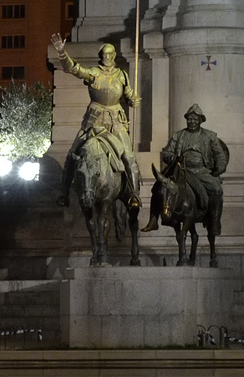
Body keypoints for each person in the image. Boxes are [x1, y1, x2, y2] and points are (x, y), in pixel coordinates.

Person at [51, 34, 141, 210]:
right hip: (94, 121)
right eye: (104, 55)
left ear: (114, 55)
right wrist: (62, 53)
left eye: (110, 54)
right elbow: (74, 69)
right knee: (72, 153)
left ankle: (134, 193)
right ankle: (64, 193)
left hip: (116, 121)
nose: (107, 58)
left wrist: (133, 99)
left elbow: (128, 93)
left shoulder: (122, 74)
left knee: (129, 157)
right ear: (101, 56)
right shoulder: (94, 72)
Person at [146, 104, 228, 234]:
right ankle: (153, 219)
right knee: (158, 187)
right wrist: (174, 158)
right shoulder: (178, 136)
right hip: (181, 170)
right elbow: (167, 153)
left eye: (195, 119)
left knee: (216, 189)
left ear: (201, 120)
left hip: (201, 171)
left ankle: (215, 222)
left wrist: (219, 168)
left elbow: (220, 154)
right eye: (190, 119)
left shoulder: (210, 136)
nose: (192, 122)